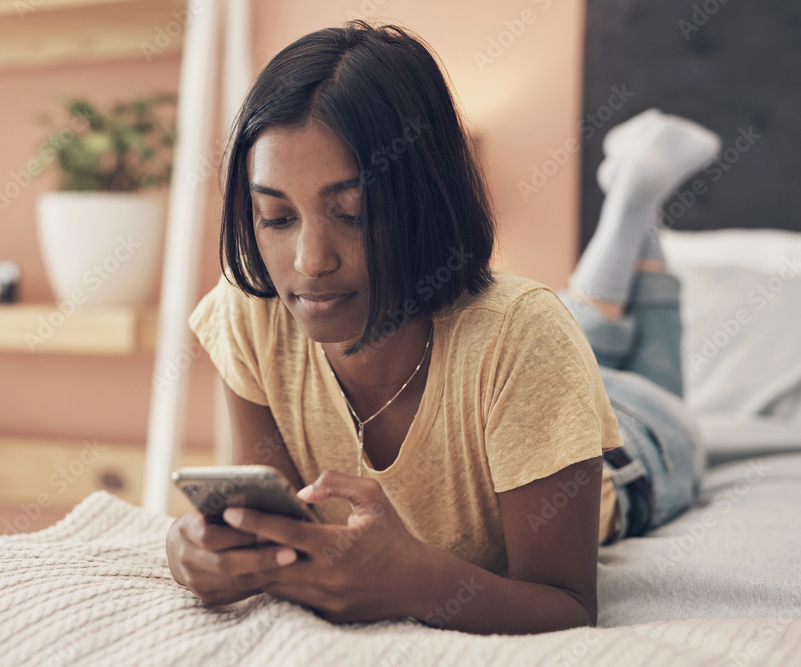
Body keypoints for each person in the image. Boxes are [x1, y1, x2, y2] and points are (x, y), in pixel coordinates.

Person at [166, 21, 714, 635]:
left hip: (639, 447)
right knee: (578, 330)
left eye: (352, 214)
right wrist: (194, 550)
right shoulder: (253, 312)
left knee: (646, 380)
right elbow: (276, 535)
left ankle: (636, 214)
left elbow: (568, 607)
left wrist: (416, 584)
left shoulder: (525, 336)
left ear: (423, 200)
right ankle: (630, 219)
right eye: (276, 217)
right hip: (543, 376)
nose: (309, 262)